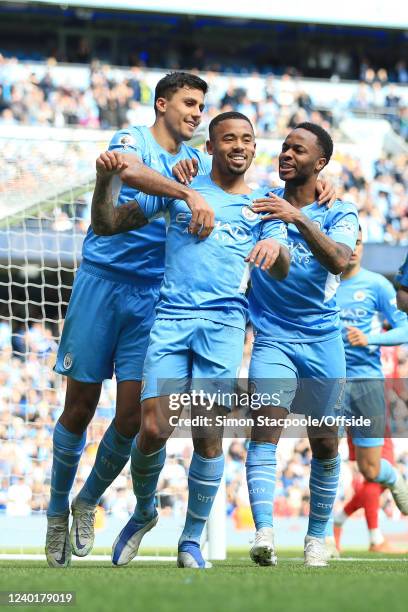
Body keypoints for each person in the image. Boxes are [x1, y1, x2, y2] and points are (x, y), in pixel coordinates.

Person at [94, 111, 290, 569]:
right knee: (154, 428)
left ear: (254, 148)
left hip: (223, 326)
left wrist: (275, 251)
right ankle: (144, 511)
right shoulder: (182, 186)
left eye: (246, 139)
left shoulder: (264, 204)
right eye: (228, 139)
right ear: (210, 147)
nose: (238, 146)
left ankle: (191, 541)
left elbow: (281, 265)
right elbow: (108, 223)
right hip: (171, 318)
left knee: (207, 436)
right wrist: (106, 181)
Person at [46, 71, 215, 568]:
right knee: (78, 408)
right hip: (101, 282)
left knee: (130, 417)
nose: (196, 113)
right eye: (189, 103)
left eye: (201, 107)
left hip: (153, 297)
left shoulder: (199, 163)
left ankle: (86, 501)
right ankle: (56, 512)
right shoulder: (133, 139)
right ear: (161, 104)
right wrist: (183, 194)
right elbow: (128, 173)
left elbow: (236, 185)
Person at [245, 122, 359, 568]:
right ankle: (265, 533)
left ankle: (316, 539)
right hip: (273, 335)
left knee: (327, 443)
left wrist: (300, 219)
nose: (287, 154)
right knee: (264, 431)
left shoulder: (341, 209)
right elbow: (275, 249)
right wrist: (281, 227)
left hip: (323, 338)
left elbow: (338, 259)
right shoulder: (262, 205)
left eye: (299, 149)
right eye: (285, 147)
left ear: (321, 163)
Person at [333, 228, 408, 550]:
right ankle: (319, 536)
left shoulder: (376, 285)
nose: (353, 248)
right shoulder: (319, 285)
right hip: (329, 382)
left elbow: (404, 327)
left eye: (359, 242)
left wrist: (370, 338)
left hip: (366, 384)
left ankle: (394, 480)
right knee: (323, 455)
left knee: (370, 467)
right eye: (348, 241)